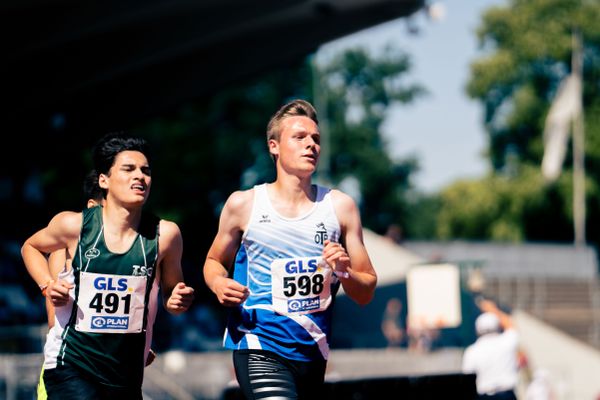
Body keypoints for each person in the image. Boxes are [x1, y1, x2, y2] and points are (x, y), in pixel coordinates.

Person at [203, 99, 377, 399]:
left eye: (316, 139)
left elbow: (366, 291)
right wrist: (218, 282)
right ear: (274, 146)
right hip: (258, 345)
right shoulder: (244, 205)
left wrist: (344, 272)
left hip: (313, 352)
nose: (311, 145)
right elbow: (213, 261)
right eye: (300, 137)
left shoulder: (339, 207)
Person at [22, 132, 195, 399]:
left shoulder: (166, 236)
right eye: (129, 169)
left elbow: (172, 291)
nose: (140, 176)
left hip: (124, 372)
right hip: (73, 364)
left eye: (146, 171)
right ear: (104, 179)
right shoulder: (74, 226)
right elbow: (31, 247)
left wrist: (177, 300)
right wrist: (47, 285)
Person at [37, 170, 105, 400]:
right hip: (69, 371)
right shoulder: (64, 247)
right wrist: (48, 286)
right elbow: (53, 318)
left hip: (112, 369)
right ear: (92, 205)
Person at [462, 298, 519, 400]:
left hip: (485, 396)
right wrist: (492, 309)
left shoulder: (472, 351)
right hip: (507, 395)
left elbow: (468, 378)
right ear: (498, 326)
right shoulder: (506, 342)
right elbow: (510, 324)